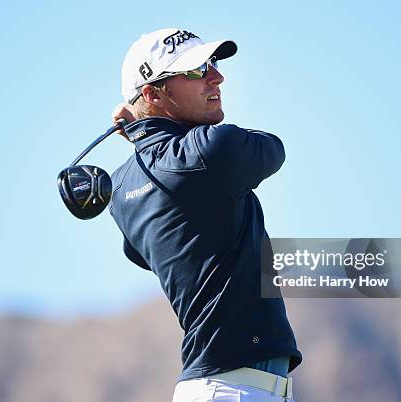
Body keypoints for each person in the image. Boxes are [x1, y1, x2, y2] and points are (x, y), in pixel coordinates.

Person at [108, 28, 302, 401]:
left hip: (228, 388)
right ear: (152, 93)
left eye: (211, 64)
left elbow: (138, 252)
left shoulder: (120, 188)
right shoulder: (212, 149)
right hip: (235, 390)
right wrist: (143, 134)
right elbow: (273, 150)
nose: (216, 76)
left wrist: (140, 135)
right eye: (196, 71)